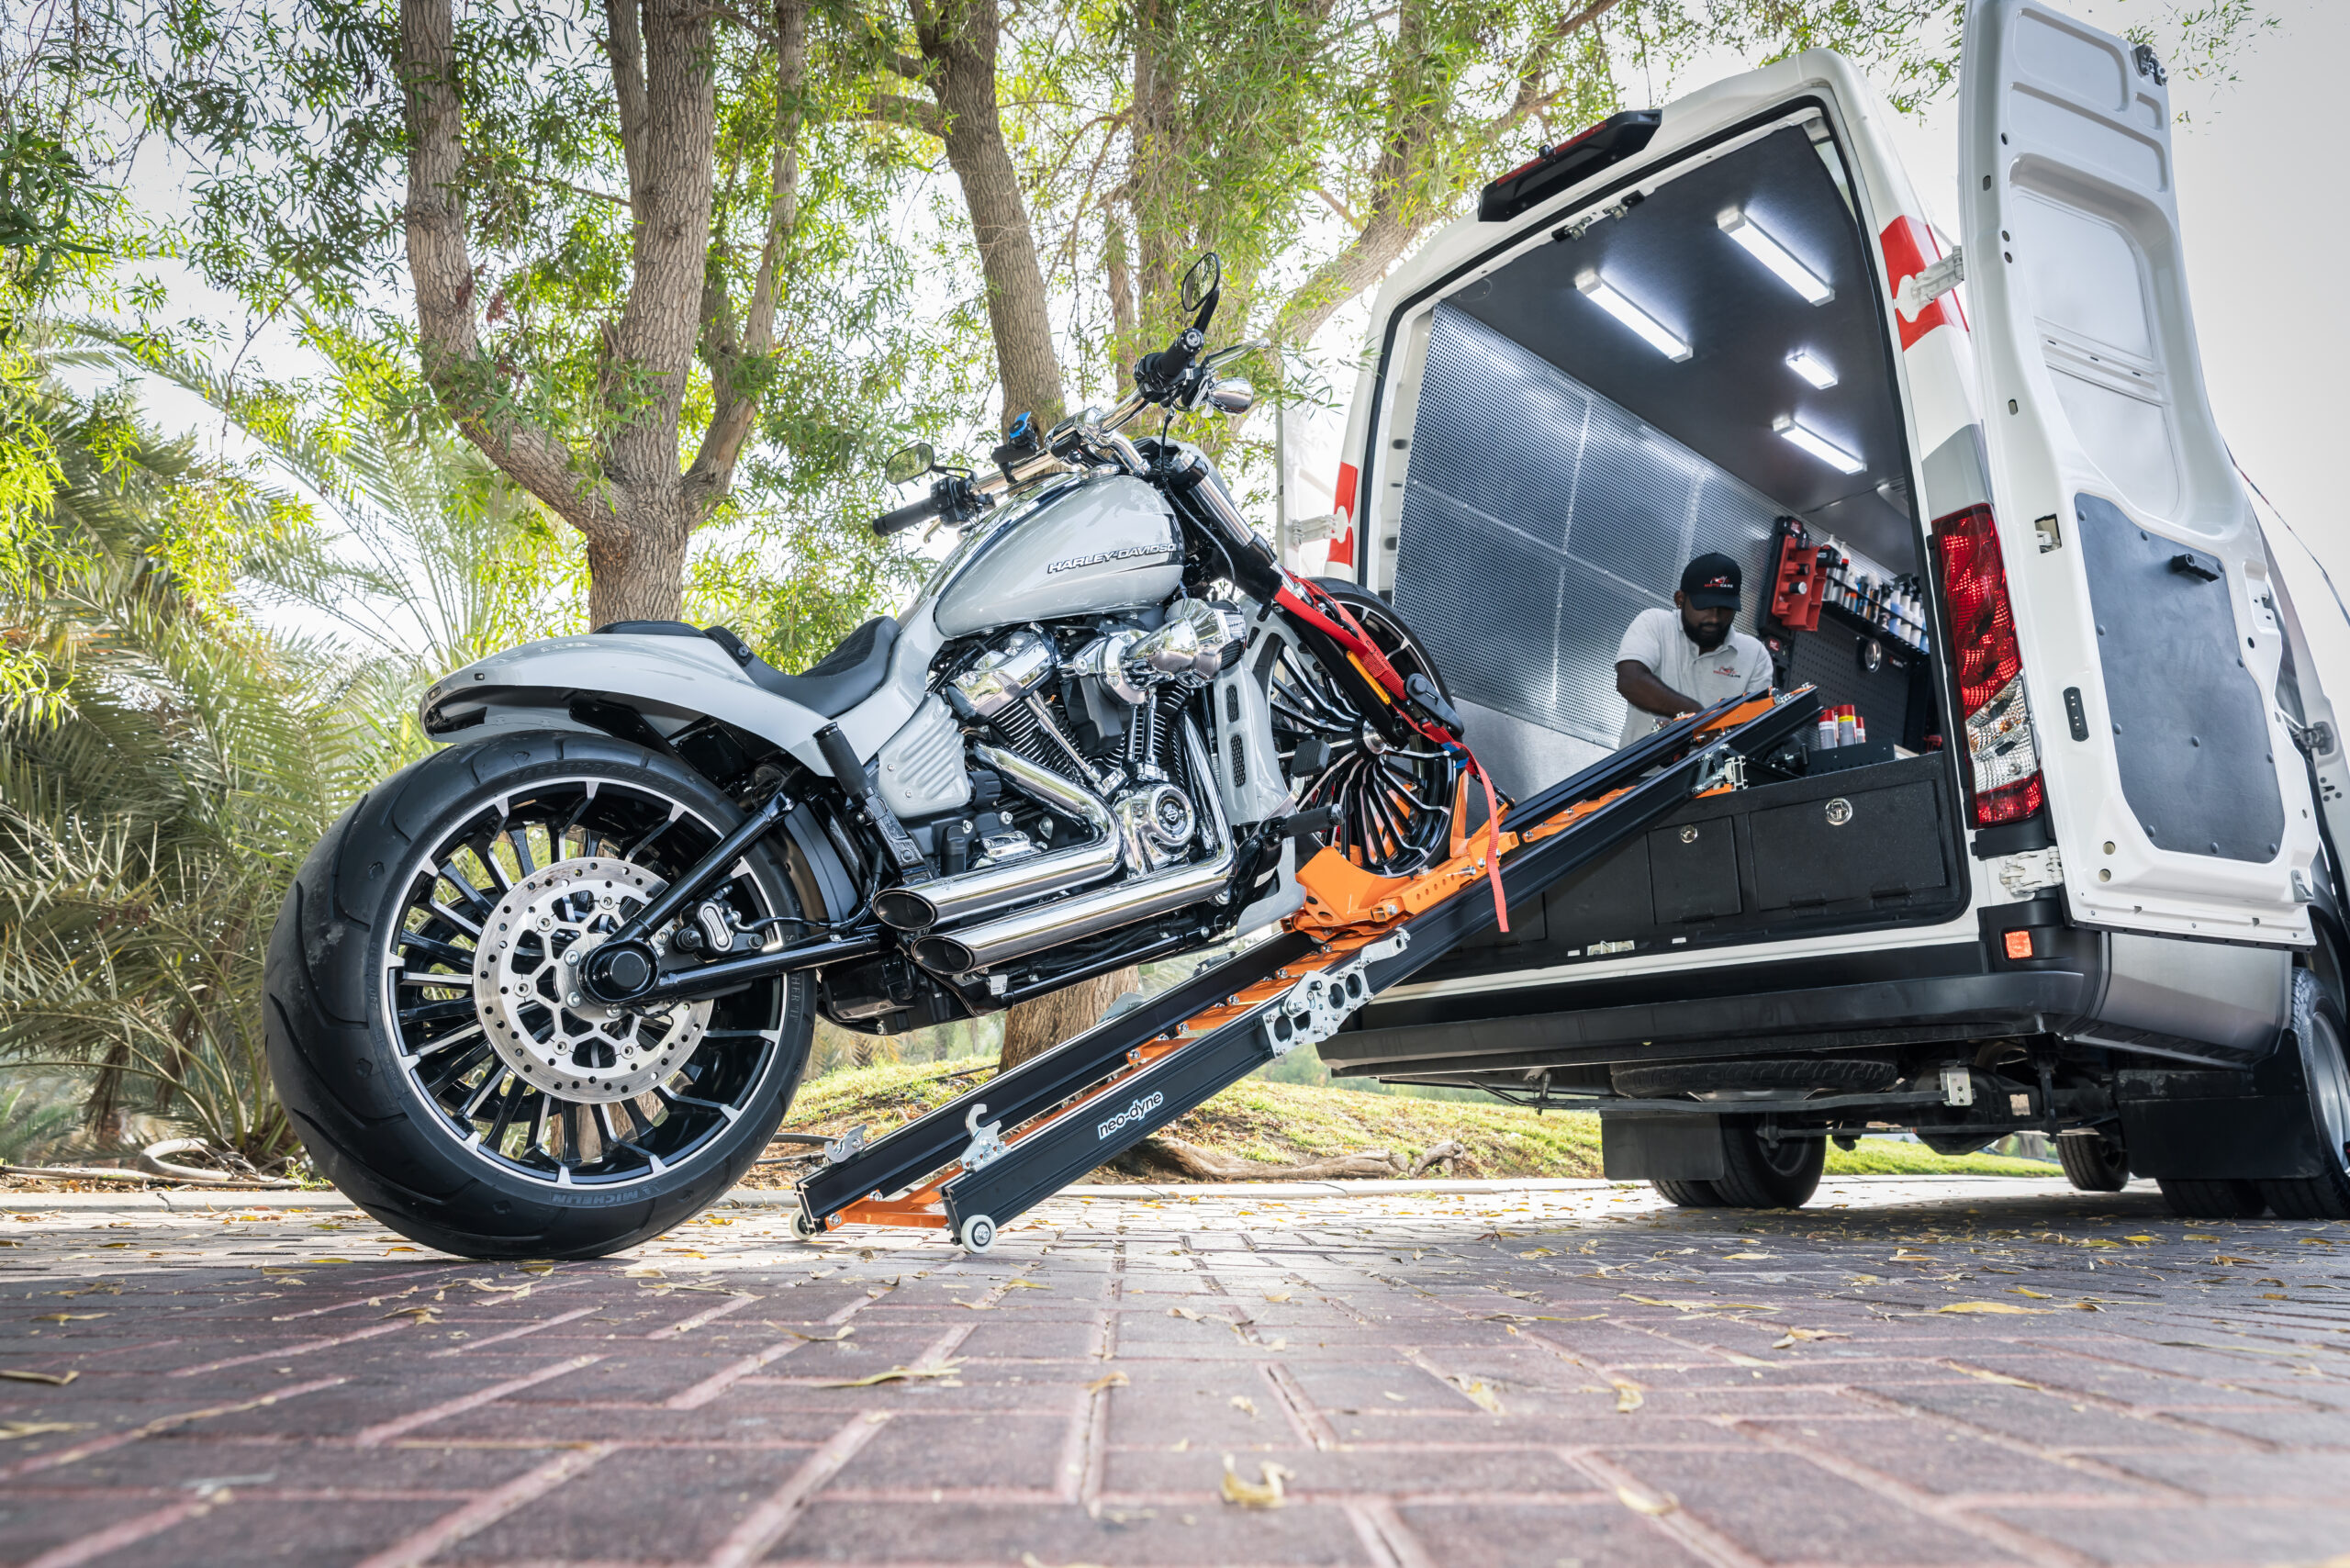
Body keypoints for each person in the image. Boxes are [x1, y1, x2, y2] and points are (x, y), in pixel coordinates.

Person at [1615, 552, 1773, 746]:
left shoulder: (1755, 654)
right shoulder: (1655, 623)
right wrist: (1697, 716)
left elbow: (1757, 729)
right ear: (1680, 599)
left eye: (1724, 608)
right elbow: (1630, 680)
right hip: (1642, 775)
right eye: (1705, 606)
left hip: (1715, 777)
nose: (1714, 618)